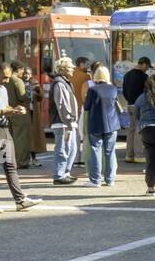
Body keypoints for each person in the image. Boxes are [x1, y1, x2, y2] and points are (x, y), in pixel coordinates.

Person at [0, 62, 42, 214]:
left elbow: (4, 108)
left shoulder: (2, 89)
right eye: (4, 77)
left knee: (10, 165)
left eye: (8, 78)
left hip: (4, 130)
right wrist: (4, 112)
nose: (6, 80)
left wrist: (15, 110)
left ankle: (20, 200)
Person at [84, 66, 121, 187]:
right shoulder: (113, 89)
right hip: (112, 125)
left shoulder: (92, 90)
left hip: (95, 124)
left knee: (95, 150)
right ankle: (110, 180)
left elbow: (86, 107)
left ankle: (95, 180)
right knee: (109, 152)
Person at [49, 57, 79, 185]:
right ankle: (59, 175)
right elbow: (61, 105)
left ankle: (65, 172)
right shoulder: (60, 83)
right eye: (70, 66)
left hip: (67, 122)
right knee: (62, 149)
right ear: (62, 70)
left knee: (72, 149)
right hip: (63, 123)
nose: (73, 68)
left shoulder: (64, 81)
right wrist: (68, 122)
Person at [6, 61, 35, 170]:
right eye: (22, 70)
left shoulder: (5, 79)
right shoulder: (17, 81)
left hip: (7, 112)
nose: (23, 72)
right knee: (21, 138)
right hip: (19, 112)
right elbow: (23, 97)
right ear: (18, 69)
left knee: (7, 138)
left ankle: (6, 161)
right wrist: (30, 94)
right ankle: (21, 162)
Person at [122, 57, 152, 163]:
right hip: (140, 107)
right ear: (143, 64)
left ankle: (129, 155)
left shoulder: (127, 75)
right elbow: (148, 92)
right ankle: (139, 155)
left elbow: (124, 91)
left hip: (129, 105)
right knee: (139, 130)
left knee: (131, 130)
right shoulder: (144, 77)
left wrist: (129, 100)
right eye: (147, 66)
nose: (147, 69)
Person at [71, 57, 91, 167]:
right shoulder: (86, 77)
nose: (88, 66)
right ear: (81, 64)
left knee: (75, 135)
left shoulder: (70, 75)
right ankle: (83, 159)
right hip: (82, 107)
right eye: (87, 64)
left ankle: (75, 159)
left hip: (72, 107)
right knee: (84, 134)